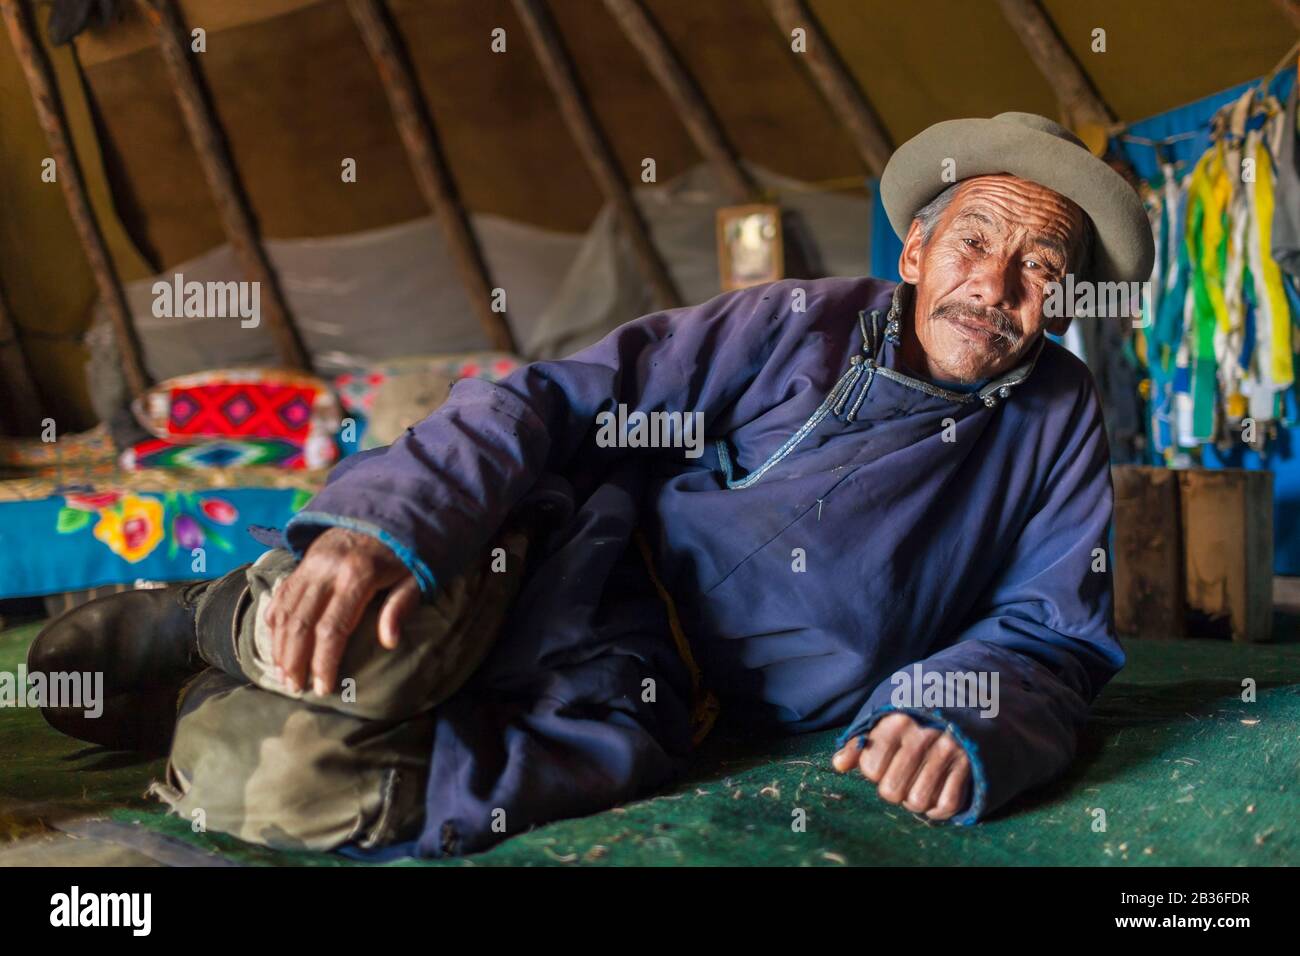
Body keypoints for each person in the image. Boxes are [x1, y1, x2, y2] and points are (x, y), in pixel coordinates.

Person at [30, 112, 1155, 857]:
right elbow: (553, 399)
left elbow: (1048, 637)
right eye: (972, 244)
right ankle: (227, 617)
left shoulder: (1054, 417)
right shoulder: (798, 320)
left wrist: (956, 713)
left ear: (1059, 300)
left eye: (1038, 269)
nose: (994, 285)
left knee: (278, 786)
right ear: (915, 252)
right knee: (376, 642)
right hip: (563, 562)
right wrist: (383, 525)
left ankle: (214, 694)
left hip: (650, 696)